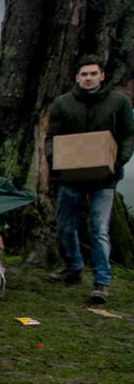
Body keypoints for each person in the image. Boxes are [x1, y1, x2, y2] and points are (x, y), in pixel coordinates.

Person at [45, 55, 134, 304]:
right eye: (84, 74)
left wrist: (118, 162)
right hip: (69, 177)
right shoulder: (63, 103)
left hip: (105, 178)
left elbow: (128, 134)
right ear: (77, 77)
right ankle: (73, 267)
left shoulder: (119, 102)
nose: (88, 78)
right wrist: (56, 162)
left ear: (102, 76)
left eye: (93, 74)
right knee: (64, 227)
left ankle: (101, 282)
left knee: (98, 229)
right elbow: (51, 137)